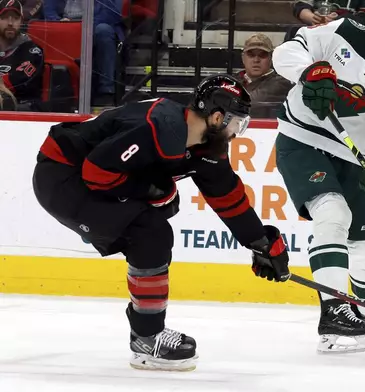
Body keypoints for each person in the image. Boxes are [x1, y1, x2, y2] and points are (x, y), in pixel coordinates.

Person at [32, 74, 291, 371]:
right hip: (63, 177)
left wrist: (259, 242)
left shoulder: (204, 146)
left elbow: (227, 196)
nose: (236, 133)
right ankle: (147, 337)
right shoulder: (159, 127)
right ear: (218, 117)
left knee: (158, 218)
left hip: (88, 179)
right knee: (150, 231)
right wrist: (149, 189)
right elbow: (96, 173)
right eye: (236, 123)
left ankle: (145, 328)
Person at [272, 4, 365, 353]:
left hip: (357, 156)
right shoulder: (346, 31)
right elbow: (286, 51)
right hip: (303, 139)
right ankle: (334, 311)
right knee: (332, 213)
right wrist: (308, 72)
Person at [0, 0, 44, 109]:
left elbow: (16, 81)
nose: (10, 23)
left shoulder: (33, 51)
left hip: (23, 108)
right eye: (5, 18)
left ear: (21, 21)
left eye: (15, 18)